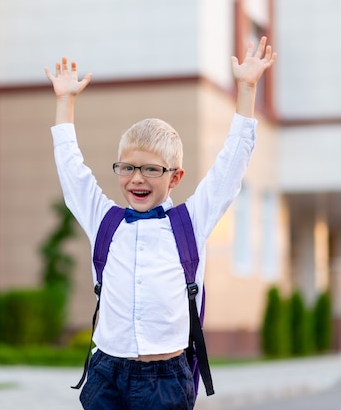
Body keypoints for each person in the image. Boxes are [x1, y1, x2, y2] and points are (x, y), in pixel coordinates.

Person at [44, 37, 277, 410]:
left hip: (163, 380)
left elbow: (231, 165)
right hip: (105, 373)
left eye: (151, 169)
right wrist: (64, 102)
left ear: (175, 177)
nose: (137, 178)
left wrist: (247, 88)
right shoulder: (104, 220)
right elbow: (72, 170)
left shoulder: (191, 221)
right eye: (128, 168)